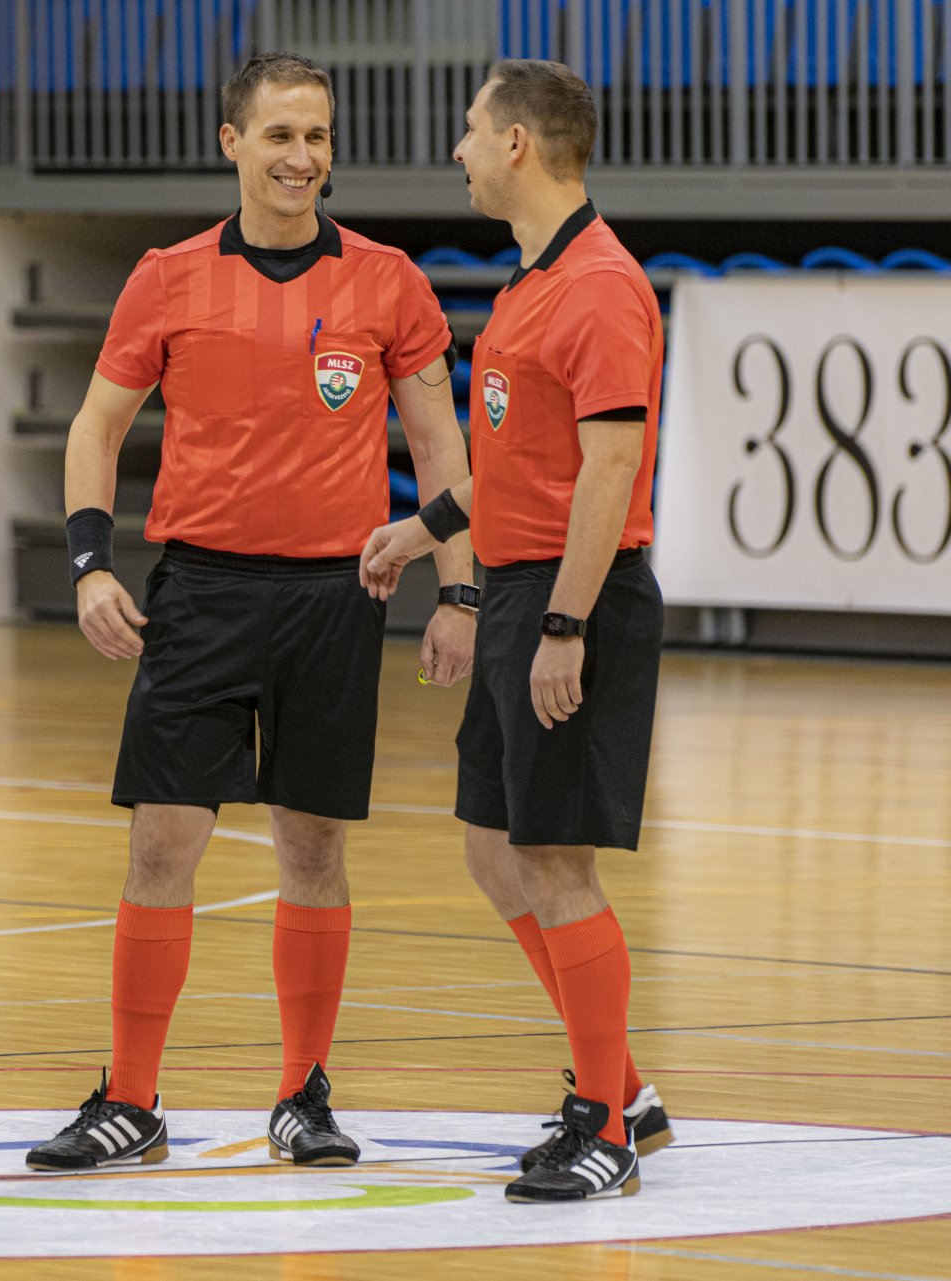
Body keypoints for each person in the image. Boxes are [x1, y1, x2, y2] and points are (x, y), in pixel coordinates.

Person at [25, 52, 478, 1172]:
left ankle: (302, 1096)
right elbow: (95, 427)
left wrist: (459, 587)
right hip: (203, 591)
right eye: (280, 135)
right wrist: (91, 562)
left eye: (318, 136)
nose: (303, 158)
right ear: (231, 142)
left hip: (341, 592)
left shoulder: (388, 281)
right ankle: (131, 1100)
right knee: (162, 840)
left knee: (312, 848)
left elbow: (439, 448)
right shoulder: (168, 277)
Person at [360, 59, 672, 1203]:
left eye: (470, 130)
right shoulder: (532, 281)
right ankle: (621, 1085)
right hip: (520, 586)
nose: (459, 149)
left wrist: (563, 624)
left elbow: (611, 469)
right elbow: (519, 466)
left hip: (571, 599)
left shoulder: (596, 284)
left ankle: (607, 1124)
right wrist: (419, 529)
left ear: (520, 147)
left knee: (554, 858)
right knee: (497, 849)